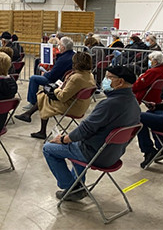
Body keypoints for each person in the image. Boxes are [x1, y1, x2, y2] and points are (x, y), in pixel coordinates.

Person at [42, 66, 140, 201]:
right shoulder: (134, 103)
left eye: (109, 77)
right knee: (76, 142)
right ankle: (78, 185)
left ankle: (71, 187)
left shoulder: (109, 104)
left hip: (95, 153)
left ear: (120, 82)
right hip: (113, 154)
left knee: (48, 148)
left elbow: (85, 129)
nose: (104, 80)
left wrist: (64, 139)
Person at [18, 52, 96, 140]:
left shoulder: (76, 78)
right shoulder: (89, 75)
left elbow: (62, 97)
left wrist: (56, 89)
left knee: (44, 97)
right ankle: (30, 117)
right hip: (81, 105)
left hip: (73, 107)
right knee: (45, 95)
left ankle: (40, 128)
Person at [18, 37, 75, 113]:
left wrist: (45, 74)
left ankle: (32, 102)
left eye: (59, 45)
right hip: (63, 79)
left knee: (33, 78)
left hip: (56, 81)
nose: (58, 46)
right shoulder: (73, 55)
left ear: (63, 47)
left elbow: (52, 75)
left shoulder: (63, 59)